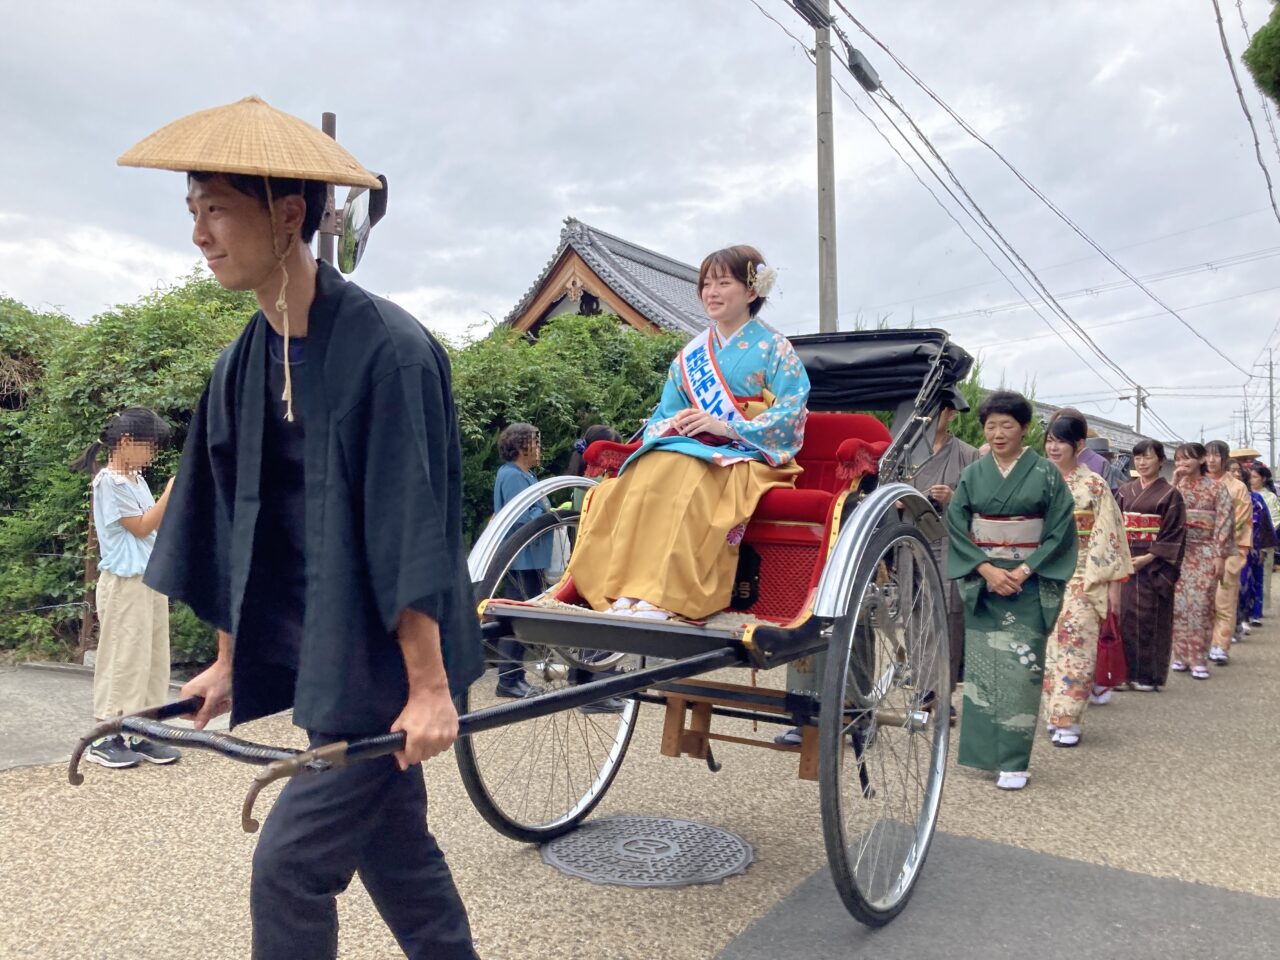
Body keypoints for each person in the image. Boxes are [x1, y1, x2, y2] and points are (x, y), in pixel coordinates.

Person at [125, 97, 482, 959]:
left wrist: (429, 688)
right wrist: (226, 661)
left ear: (289, 215)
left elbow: (410, 524)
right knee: (400, 858)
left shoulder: (390, 351)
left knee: (289, 868)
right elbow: (229, 521)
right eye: (193, 211)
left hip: (389, 662)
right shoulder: (241, 363)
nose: (201, 233)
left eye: (217, 208)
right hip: (325, 650)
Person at [566, 245, 809, 621]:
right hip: (691, 447)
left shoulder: (776, 348)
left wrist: (726, 426)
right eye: (706, 283)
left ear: (750, 291)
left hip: (748, 453)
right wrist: (679, 424)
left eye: (723, 282)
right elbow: (665, 412)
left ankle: (667, 595)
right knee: (647, 468)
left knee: (687, 473)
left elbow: (790, 413)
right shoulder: (690, 355)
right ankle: (625, 589)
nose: (711, 292)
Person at [946, 390, 1077, 791]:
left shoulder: (1046, 474)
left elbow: (1059, 531)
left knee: (1022, 671)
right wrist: (985, 569)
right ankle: (988, 756)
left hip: (1029, 582)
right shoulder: (972, 474)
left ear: (1024, 429)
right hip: (986, 583)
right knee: (984, 672)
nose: (998, 433)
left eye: (1007, 425)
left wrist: (1022, 570)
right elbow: (956, 524)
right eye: (991, 426)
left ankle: (1015, 760)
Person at [71, 408, 181, 769]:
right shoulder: (109, 481)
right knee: (123, 658)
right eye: (150, 447)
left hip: (149, 579)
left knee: (151, 658)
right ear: (127, 442)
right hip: (123, 582)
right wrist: (170, 491)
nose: (153, 455)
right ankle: (105, 736)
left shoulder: (135, 480)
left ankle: (142, 732)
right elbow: (140, 526)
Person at [1040, 411, 1131, 746]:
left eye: (1061, 440)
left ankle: (1069, 717)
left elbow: (1107, 535)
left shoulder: (1093, 484)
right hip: (1042, 572)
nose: (1053, 447)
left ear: (1078, 445)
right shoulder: (1039, 480)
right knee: (1049, 645)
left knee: (1076, 644)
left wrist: (1104, 582)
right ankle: (1054, 710)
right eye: (1050, 439)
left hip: (1081, 573)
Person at [908, 389, 979, 704]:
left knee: (948, 613)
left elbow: (979, 504)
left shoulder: (968, 454)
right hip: (909, 538)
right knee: (914, 612)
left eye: (940, 410)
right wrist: (898, 501)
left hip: (948, 540)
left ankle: (944, 691)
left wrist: (953, 498)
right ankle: (923, 688)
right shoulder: (906, 451)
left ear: (950, 414)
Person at [1114, 439, 1186, 691]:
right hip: (1126, 559)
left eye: (1148, 457)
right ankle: (1123, 674)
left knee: (1150, 616)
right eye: (1138, 458)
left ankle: (1148, 675)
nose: (1142, 462)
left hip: (1154, 563)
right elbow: (1114, 526)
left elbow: (1174, 532)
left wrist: (1149, 557)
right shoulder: (1124, 491)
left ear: (1160, 461)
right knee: (1123, 616)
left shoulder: (1170, 495)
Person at [491, 422, 549, 698]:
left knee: (522, 617)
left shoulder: (526, 475)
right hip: (521, 558)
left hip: (531, 557)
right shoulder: (513, 475)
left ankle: (514, 677)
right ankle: (509, 680)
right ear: (522, 446)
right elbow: (524, 515)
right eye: (535, 443)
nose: (538, 449)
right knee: (517, 618)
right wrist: (549, 515)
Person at [1171, 443, 1234, 680]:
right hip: (1179, 551)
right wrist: (1175, 482)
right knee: (1178, 606)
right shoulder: (1175, 488)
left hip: (1206, 549)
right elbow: (1164, 512)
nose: (1181, 464)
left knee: (1201, 604)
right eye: (1178, 460)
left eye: (1187, 459)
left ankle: (1198, 657)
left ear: (1201, 460)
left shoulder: (1217, 489)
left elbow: (1224, 522)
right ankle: (1180, 655)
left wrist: (1219, 554)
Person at [1205, 441, 1251, 665]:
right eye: (1208, 455)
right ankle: (1202, 643)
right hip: (1200, 550)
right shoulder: (1197, 484)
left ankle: (1220, 645)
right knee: (1202, 601)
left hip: (1228, 550)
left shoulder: (1237, 487)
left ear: (1224, 458)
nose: (1212, 460)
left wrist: (1221, 543)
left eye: (1216, 456)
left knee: (1224, 600)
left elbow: (1241, 521)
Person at [1239, 468, 1276, 633]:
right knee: (1240, 582)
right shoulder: (1226, 495)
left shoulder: (1259, 498)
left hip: (1256, 545)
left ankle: (1253, 614)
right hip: (1234, 547)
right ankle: (1240, 618)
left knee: (1256, 579)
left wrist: (1263, 547)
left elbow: (1266, 523)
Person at [1249, 463, 1280, 615]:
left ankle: (1258, 609)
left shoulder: (1270, 497)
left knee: (1264, 574)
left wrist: (1262, 536)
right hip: (1246, 541)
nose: (1252, 480)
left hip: (1264, 541)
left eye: (1255, 477)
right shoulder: (1244, 494)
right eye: (1250, 476)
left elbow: (1275, 519)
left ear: (1264, 478)